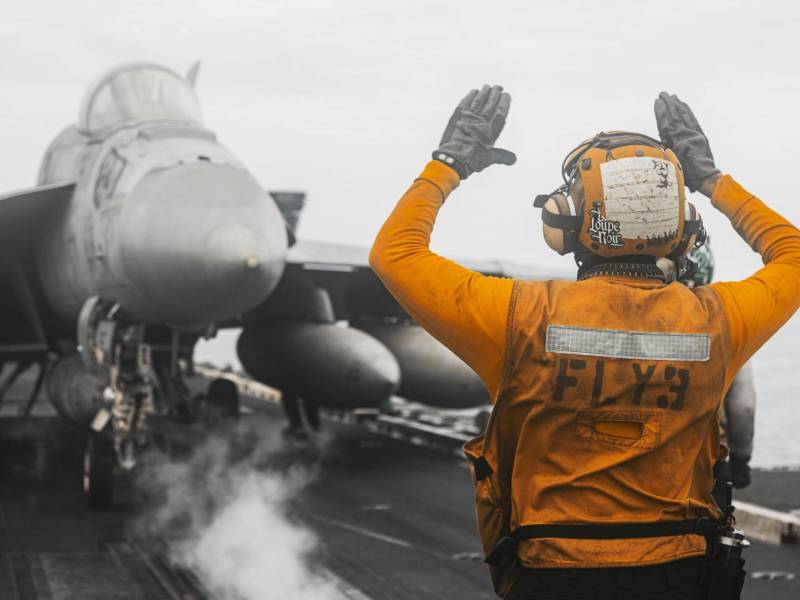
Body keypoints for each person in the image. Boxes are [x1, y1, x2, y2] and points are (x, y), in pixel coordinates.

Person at [369, 86, 800, 599]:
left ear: (564, 220)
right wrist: (711, 179)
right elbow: (792, 255)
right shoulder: (719, 321)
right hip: (681, 571)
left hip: (551, 571)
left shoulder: (517, 315)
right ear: (684, 227)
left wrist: (448, 165)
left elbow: (394, 254)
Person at [681, 243, 755, 489]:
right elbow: (743, 405)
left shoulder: (647, 317)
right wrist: (741, 458)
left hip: (651, 456)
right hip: (710, 458)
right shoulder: (726, 325)